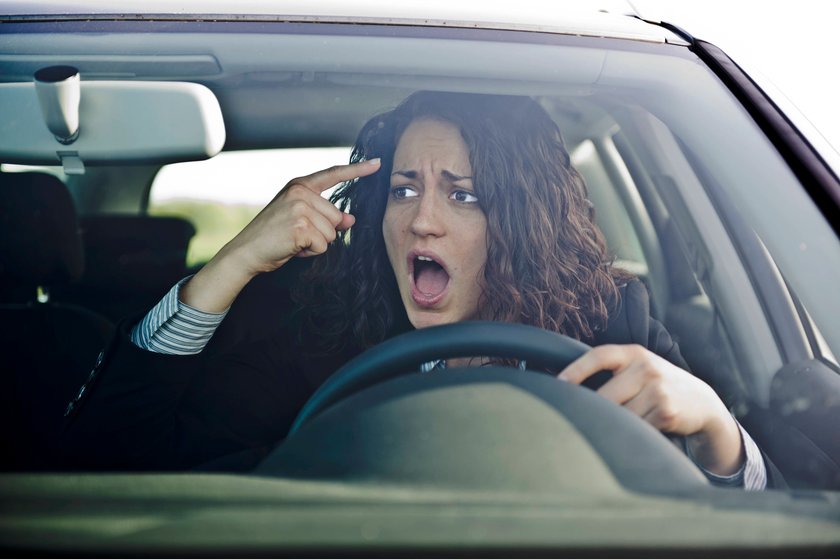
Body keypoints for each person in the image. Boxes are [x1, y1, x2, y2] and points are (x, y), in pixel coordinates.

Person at [60, 91, 771, 489]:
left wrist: (718, 431)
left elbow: (763, 506)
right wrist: (235, 259)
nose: (421, 220)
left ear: (520, 221)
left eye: (464, 196)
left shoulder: (613, 318)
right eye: (403, 190)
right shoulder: (313, 315)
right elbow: (110, 457)